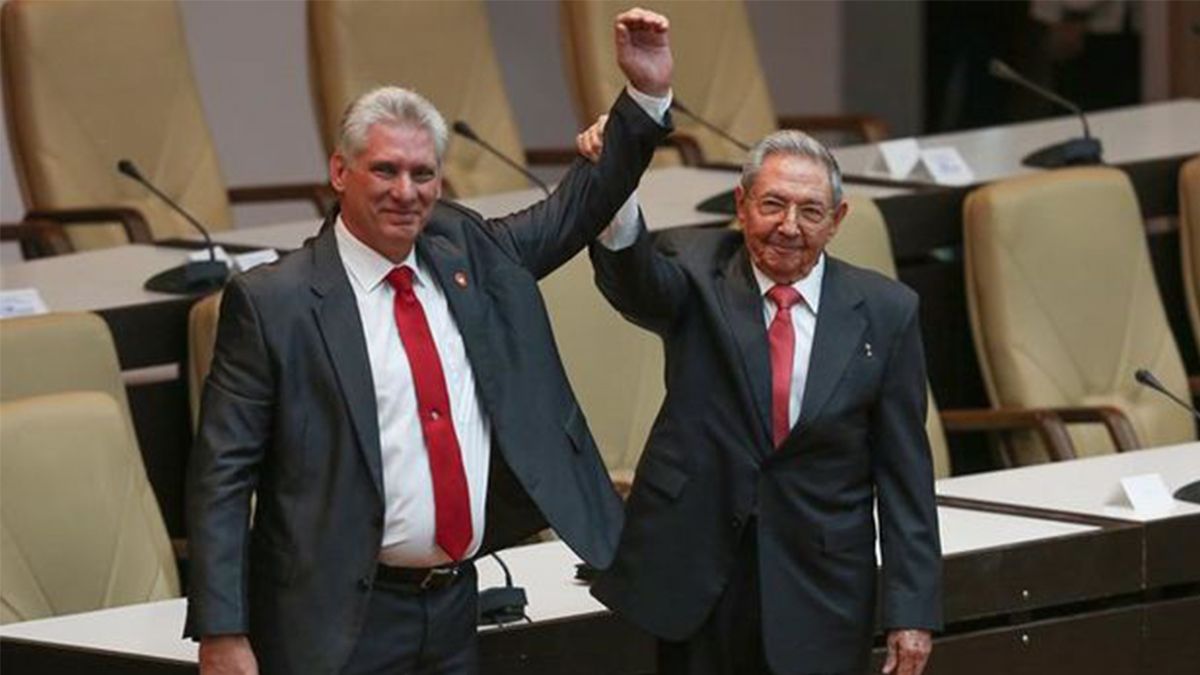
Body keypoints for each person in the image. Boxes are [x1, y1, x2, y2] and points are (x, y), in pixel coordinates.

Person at [184, 8, 674, 674]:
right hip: (333, 621)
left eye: (423, 174)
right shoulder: (276, 301)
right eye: (385, 171)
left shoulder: (467, 252)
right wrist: (222, 630)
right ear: (339, 172)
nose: (406, 192)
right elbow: (221, 475)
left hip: (450, 607)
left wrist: (643, 97)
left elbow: (575, 209)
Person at [578, 128, 942, 675]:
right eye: (773, 204)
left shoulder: (887, 311)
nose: (789, 226)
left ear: (837, 220)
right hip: (699, 579)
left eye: (810, 211)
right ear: (741, 205)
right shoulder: (695, 270)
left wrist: (911, 611)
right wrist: (616, 179)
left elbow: (905, 475)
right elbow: (634, 281)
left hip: (820, 585)